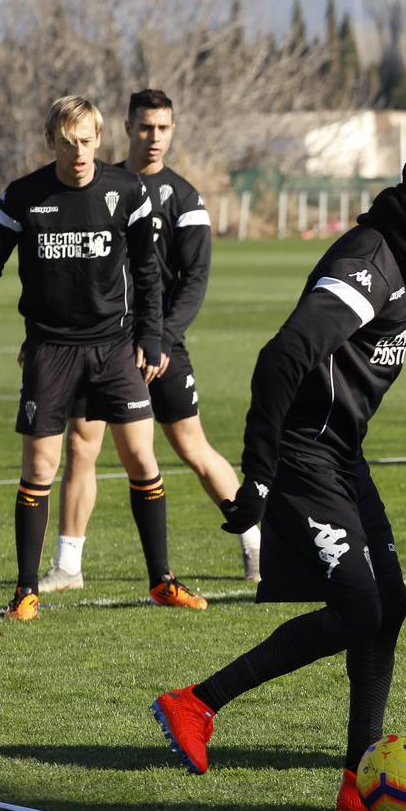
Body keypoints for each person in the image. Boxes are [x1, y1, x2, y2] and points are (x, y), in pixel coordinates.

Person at [149, 147, 406, 811]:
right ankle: (194, 704)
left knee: (388, 607)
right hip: (303, 456)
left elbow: (353, 350)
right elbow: (282, 357)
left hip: (341, 457)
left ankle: (356, 782)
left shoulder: (393, 264)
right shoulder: (366, 264)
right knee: (359, 607)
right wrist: (260, 473)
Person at [0, 95, 203, 621]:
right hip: (50, 351)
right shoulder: (23, 197)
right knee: (41, 467)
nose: (79, 153)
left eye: (87, 142)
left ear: (99, 140)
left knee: (142, 458)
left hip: (115, 349)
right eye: (68, 143)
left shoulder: (125, 190)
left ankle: (161, 581)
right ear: (52, 142)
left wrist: (152, 337)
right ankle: (26, 591)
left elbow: (147, 273)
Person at [38, 89, 260, 593]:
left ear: (172, 130)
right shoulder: (102, 184)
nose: (153, 137)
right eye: (144, 128)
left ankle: (256, 547)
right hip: (102, 342)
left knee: (191, 446)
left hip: (160, 343)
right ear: (127, 128)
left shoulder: (184, 198)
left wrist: (159, 339)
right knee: (82, 445)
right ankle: (68, 566)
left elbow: (195, 279)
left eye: (162, 128)